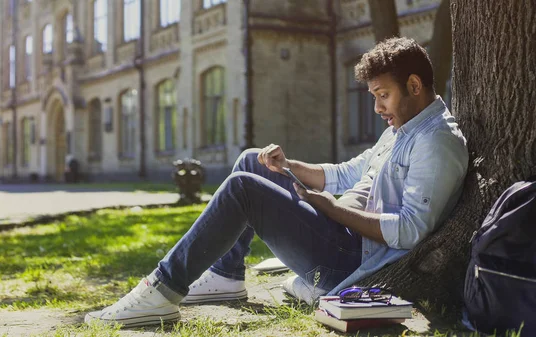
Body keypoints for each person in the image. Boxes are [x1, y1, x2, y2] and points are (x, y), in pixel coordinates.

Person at [84, 37, 469, 328]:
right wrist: (290, 166)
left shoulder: (436, 142)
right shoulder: (403, 127)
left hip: (349, 260)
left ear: (414, 86)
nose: (377, 108)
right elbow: (349, 172)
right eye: (374, 96)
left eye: (383, 95)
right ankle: (226, 276)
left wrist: (330, 208)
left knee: (242, 188)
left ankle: (162, 290)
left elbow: (409, 232)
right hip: (339, 230)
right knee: (253, 160)